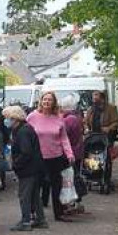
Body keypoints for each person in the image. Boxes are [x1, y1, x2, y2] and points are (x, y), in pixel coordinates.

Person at [27, 91, 75, 222]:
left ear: (54, 102)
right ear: (41, 101)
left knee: (57, 186)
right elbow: (26, 135)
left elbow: (64, 138)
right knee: (37, 185)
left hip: (56, 156)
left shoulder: (59, 118)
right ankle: (33, 212)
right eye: (44, 99)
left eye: (50, 100)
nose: (47, 102)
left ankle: (59, 214)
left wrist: (69, 153)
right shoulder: (32, 117)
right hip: (39, 157)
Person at [3, 105, 47, 231]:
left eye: (7, 118)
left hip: (28, 169)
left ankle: (26, 221)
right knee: (33, 195)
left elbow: (26, 152)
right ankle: (40, 219)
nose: (5, 120)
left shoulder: (22, 132)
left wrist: (16, 164)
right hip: (34, 168)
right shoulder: (24, 129)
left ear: (14, 118)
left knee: (25, 195)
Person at [84, 90, 118, 191]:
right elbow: (86, 122)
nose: (94, 97)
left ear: (102, 98)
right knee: (93, 156)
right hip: (93, 137)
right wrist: (87, 128)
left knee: (106, 158)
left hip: (106, 137)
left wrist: (108, 128)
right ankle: (94, 175)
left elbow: (116, 123)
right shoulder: (91, 109)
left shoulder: (111, 108)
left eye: (96, 95)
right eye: (93, 95)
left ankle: (106, 178)